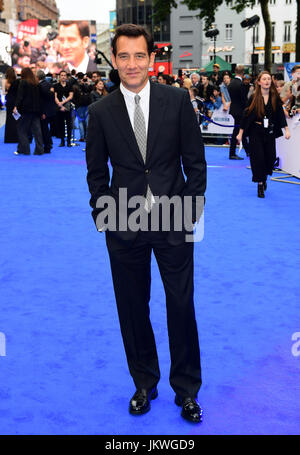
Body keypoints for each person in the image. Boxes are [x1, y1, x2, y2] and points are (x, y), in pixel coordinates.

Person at [86, 23, 206, 423]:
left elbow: (196, 163)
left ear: (152, 59)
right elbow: (96, 173)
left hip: (174, 220)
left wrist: (190, 211)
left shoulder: (177, 101)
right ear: (115, 60)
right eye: (124, 56)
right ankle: (144, 382)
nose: (132, 64)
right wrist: (105, 215)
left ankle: (186, 390)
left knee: (180, 305)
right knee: (132, 307)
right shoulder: (101, 112)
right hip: (123, 223)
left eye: (140, 55)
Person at [236, 71, 290, 198]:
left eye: (268, 79)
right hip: (256, 131)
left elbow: (280, 115)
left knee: (270, 158)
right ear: (259, 82)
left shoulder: (274, 97)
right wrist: (240, 133)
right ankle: (260, 184)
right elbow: (246, 115)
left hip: (269, 132)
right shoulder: (253, 97)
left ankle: (264, 177)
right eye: (264, 79)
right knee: (258, 158)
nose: (267, 81)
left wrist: (286, 129)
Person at [13, 67, 44, 156]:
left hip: (26, 110)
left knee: (22, 130)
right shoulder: (36, 83)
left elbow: (20, 96)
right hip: (36, 110)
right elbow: (40, 98)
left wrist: (16, 106)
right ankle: (39, 150)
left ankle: (25, 150)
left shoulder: (23, 82)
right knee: (37, 131)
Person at [228, 64, 247, 160]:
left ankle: (248, 151)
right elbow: (244, 100)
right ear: (243, 73)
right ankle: (232, 153)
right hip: (240, 110)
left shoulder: (231, 83)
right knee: (238, 131)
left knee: (240, 130)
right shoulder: (241, 84)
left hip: (234, 109)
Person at [37, 70, 57, 154]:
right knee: (46, 129)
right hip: (51, 110)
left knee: (44, 129)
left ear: (37, 77)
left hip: (44, 111)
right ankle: (49, 143)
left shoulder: (40, 86)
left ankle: (47, 146)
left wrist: (43, 113)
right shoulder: (50, 85)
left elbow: (42, 101)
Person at [54, 70, 74, 147]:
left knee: (69, 125)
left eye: (64, 75)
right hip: (59, 107)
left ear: (66, 77)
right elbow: (55, 97)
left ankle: (69, 141)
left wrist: (63, 103)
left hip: (67, 107)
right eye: (61, 75)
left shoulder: (69, 85)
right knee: (60, 125)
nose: (63, 77)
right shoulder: (56, 85)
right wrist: (60, 104)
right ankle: (62, 141)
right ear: (59, 77)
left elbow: (71, 96)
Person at [4, 67, 20, 144]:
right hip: (15, 101)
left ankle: (8, 138)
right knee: (16, 118)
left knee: (9, 118)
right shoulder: (17, 81)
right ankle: (15, 137)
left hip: (9, 101)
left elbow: (5, 92)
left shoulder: (5, 81)